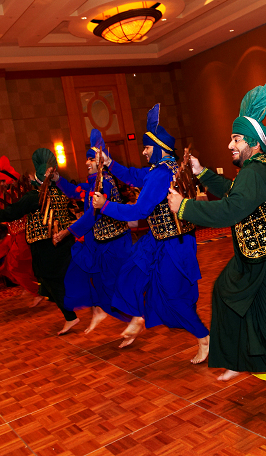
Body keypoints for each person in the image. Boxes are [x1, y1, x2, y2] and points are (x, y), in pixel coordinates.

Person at [167, 84, 266, 415]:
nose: (230, 144)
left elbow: (232, 209)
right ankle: (238, 358)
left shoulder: (257, 170)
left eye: (236, 140)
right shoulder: (256, 168)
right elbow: (234, 191)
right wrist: (202, 174)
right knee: (228, 293)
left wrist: (184, 207)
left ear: (253, 144)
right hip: (261, 255)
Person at [92, 104, 210, 363]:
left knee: (171, 296)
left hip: (172, 244)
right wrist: (111, 163)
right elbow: (135, 176)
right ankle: (138, 317)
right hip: (159, 240)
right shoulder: (160, 170)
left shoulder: (159, 174)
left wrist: (106, 206)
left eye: (146, 147)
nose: (144, 152)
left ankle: (204, 338)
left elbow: (139, 211)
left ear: (157, 148)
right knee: (131, 274)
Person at [0, 148, 80, 335]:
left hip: (45, 248)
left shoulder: (33, 197)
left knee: (52, 281)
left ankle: (71, 316)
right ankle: (72, 310)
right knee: (54, 281)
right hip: (63, 243)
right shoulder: (59, 193)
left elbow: (8, 214)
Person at [54, 129, 132, 334]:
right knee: (93, 277)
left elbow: (92, 215)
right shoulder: (92, 183)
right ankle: (101, 310)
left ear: (100, 161)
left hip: (115, 244)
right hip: (101, 242)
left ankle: (135, 318)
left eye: (91, 159)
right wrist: (57, 179)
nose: (87, 163)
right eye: (86, 159)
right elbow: (75, 191)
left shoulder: (104, 181)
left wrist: (67, 232)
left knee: (113, 285)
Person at [0, 157, 44, 306]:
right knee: (10, 266)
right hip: (14, 235)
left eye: (4, 181)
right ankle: (32, 287)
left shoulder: (20, 195)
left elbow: (10, 213)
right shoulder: (7, 196)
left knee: (15, 266)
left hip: (23, 236)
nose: (2, 184)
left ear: (11, 180)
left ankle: (37, 291)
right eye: (1, 181)